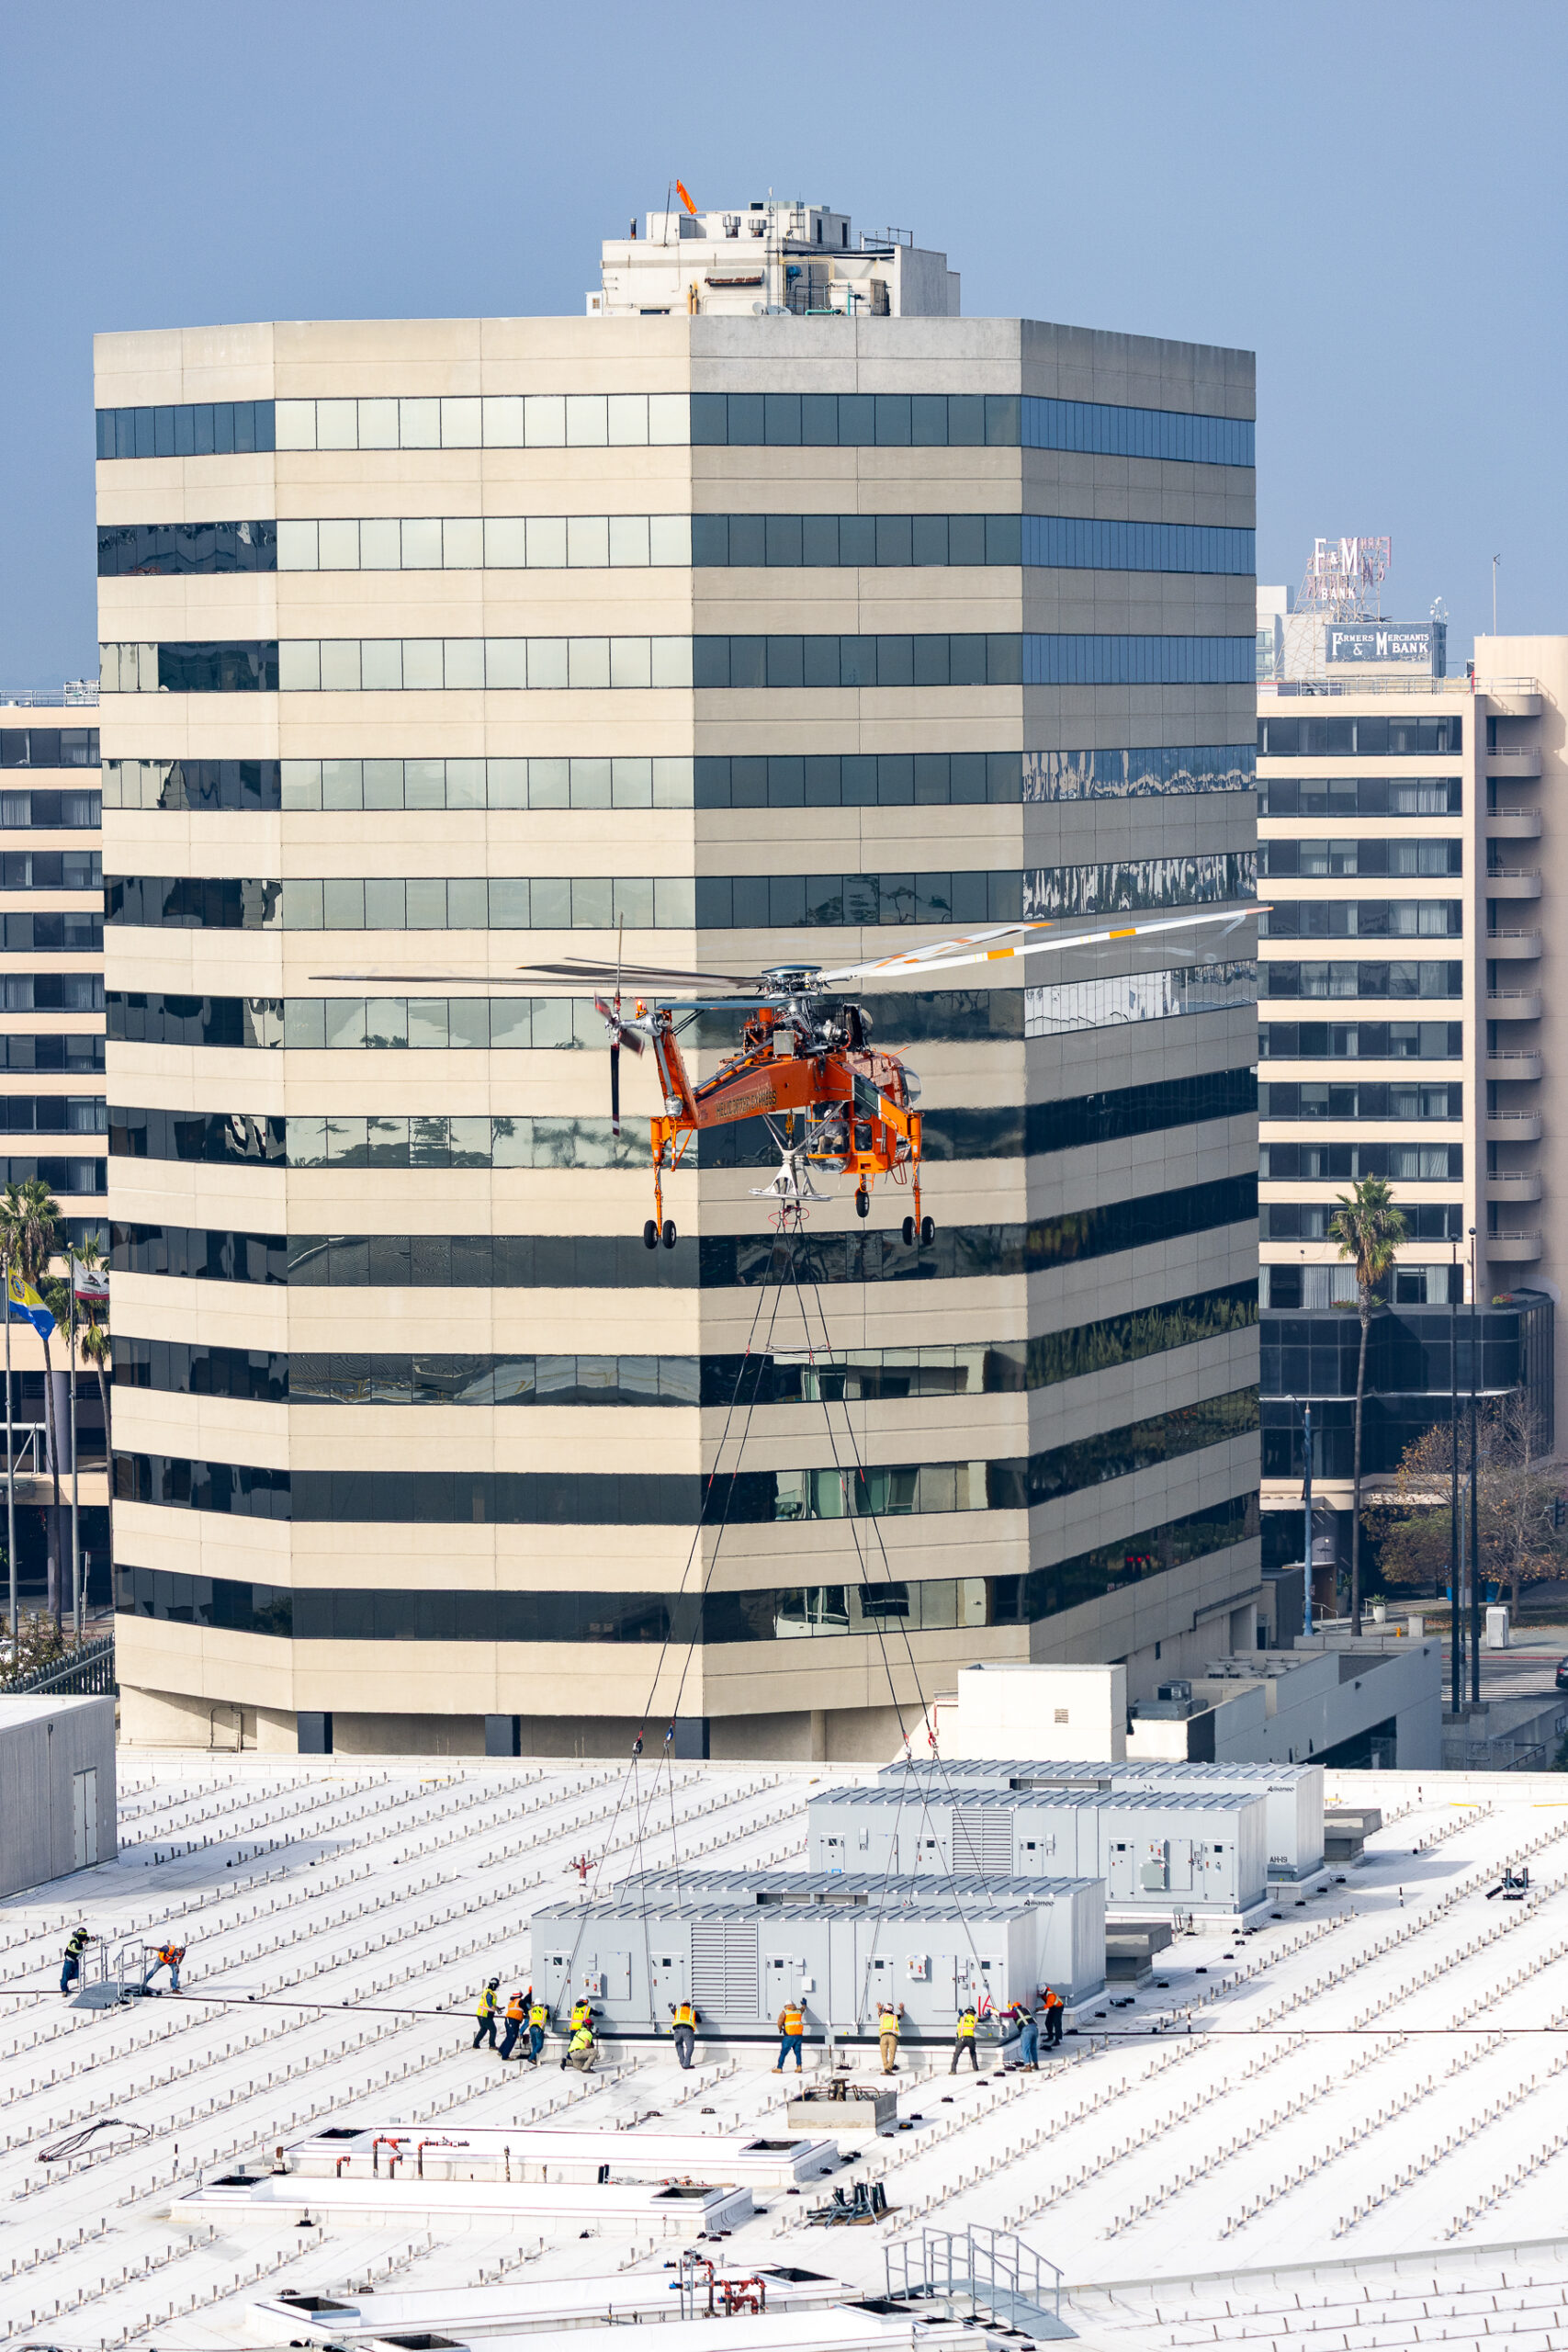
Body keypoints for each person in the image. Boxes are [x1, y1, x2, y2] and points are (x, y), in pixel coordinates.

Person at [60, 1926, 95, 1997]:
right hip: (69, 1961)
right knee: (65, 1976)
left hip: (75, 1961)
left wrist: (92, 1939)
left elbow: (88, 1939)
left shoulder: (83, 1939)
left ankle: (64, 1979)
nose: (85, 1937)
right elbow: (76, 1946)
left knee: (77, 1974)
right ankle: (64, 1990)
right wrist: (83, 1943)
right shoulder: (74, 1941)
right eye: (83, 1936)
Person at [774, 1996, 806, 2073]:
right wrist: (804, 2005)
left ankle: (779, 2068)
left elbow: (779, 2022)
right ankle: (799, 2067)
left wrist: (780, 2028)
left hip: (789, 2036)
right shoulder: (798, 2011)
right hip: (798, 2035)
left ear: (786, 2006)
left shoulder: (784, 2012)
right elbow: (802, 2009)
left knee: (783, 2052)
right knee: (798, 2052)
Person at [670, 1998, 699, 2069]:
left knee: (679, 2045)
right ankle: (686, 2064)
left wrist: (672, 2008)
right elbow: (699, 2020)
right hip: (687, 2030)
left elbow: (673, 2011)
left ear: (681, 2005)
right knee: (690, 2047)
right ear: (689, 2005)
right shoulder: (693, 2012)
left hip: (677, 2030)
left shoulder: (677, 2011)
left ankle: (682, 2062)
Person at [499, 1988, 526, 2061]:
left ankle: (501, 2050)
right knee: (512, 2038)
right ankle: (505, 2056)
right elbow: (526, 2009)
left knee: (509, 2037)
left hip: (509, 2020)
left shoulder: (512, 2002)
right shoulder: (520, 2001)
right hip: (513, 2021)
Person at [951, 2003, 980, 2073]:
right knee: (973, 2053)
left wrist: (961, 2015)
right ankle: (975, 2068)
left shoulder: (962, 2018)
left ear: (967, 2012)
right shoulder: (975, 2019)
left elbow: (959, 2020)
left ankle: (953, 2070)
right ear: (973, 2013)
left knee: (956, 2054)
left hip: (962, 2038)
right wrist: (988, 2015)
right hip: (971, 2039)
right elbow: (983, 2019)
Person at [473, 1978, 501, 2050]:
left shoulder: (487, 1992)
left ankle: (475, 2044)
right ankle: (492, 2045)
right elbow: (489, 2004)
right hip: (485, 2015)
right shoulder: (489, 1993)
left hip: (481, 2014)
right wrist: (496, 2009)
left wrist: (497, 2008)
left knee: (483, 2029)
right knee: (493, 2030)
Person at [876, 2001, 903, 2074]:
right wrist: (901, 2009)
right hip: (892, 2037)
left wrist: (879, 2009)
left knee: (884, 2054)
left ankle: (886, 2069)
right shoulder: (895, 2017)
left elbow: (879, 2013)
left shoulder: (882, 2016)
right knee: (892, 2054)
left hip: (883, 2037)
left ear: (885, 2009)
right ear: (892, 2010)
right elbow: (902, 2015)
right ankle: (889, 2068)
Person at [1041, 1985, 1065, 2049]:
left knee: (1057, 2023)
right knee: (1048, 2022)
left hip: (1058, 2007)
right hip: (1052, 2008)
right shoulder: (1043, 1994)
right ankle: (1050, 2036)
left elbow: (1049, 2004)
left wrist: (1041, 2008)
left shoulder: (1050, 1995)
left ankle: (1057, 2040)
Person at [527, 1994, 548, 2064]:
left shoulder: (531, 2010)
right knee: (539, 2045)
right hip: (538, 2028)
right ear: (541, 2004)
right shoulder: (544, 2010)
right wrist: (547, 2008)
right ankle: (531, 2057)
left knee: (534, 2045)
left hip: (531, 2028)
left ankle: (534, 2059)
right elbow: (548, 2016)